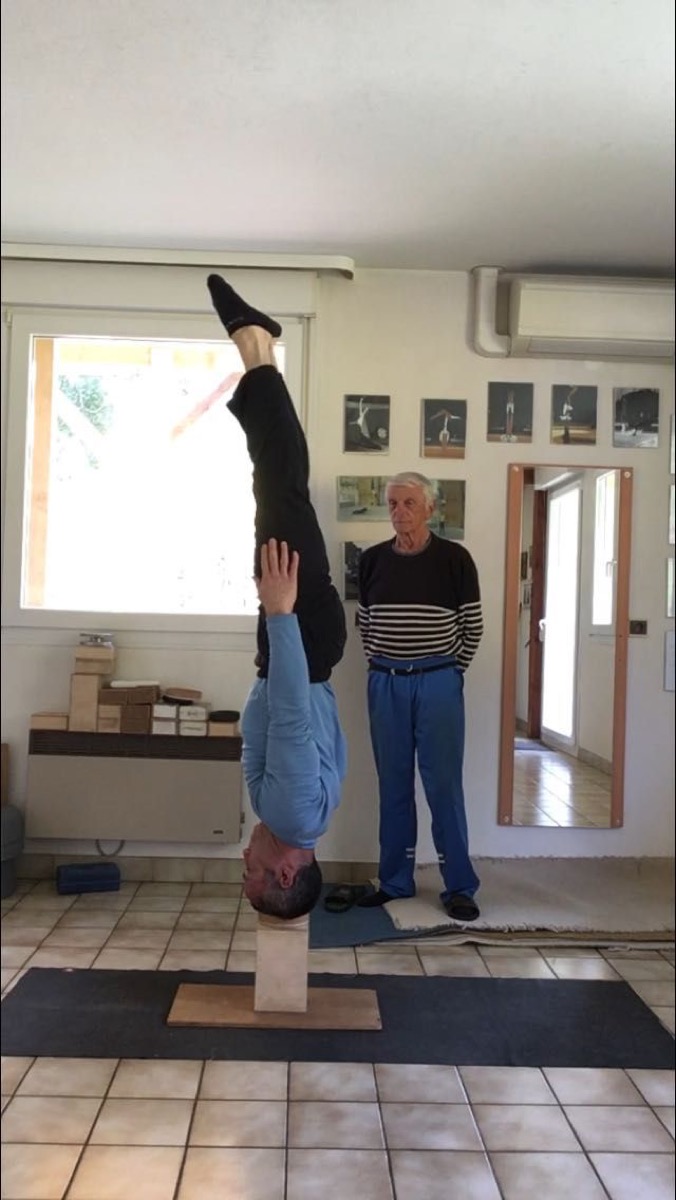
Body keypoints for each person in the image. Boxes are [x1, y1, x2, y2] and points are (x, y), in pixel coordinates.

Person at [207, 274, 347, 920]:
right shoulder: (290, 813)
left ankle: (258, 352)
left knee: (280, 487)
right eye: (256, 873)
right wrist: (281, 615)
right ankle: (254, 344)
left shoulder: (311, 815)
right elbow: (291, 714)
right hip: (299, 634)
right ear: (289, 868)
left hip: (306, 644)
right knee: (280, 486)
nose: (247, 860)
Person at [356, 471, 483, 921]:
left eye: (409, 503)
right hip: (386, 681)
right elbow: (365, 625)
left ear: (430, 508)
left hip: (437, 683)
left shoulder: (455, 559)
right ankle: (394, 880)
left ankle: (460, 886)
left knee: (443, 786)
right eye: (392, 504)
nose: (399, 513)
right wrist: (386, 665)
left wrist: (446, 674)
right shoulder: (370, 561)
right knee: (392, 784)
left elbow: (472, 629)